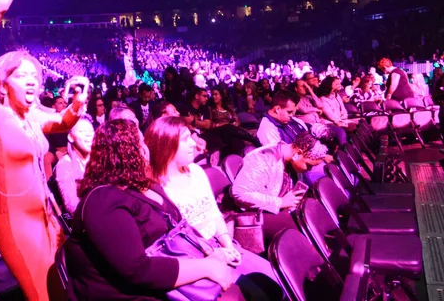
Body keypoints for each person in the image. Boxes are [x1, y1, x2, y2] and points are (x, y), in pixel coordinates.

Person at [0, 0, 89, 301]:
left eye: (35, 75)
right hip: (16, 226)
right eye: (22, 75)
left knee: (61, 289)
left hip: (48, 217)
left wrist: (79, 101)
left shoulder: (32, 113)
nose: (32, 80)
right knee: (41, 295)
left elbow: (63, 123)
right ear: (3, 85)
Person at [64, 119, 233, 300]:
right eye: (141, 142)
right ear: (127, 152)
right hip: (131, 293)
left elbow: (178, 228)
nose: (146, 149)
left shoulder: (143, 186)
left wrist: (207, 251)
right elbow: (137, 270)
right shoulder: (102, 201)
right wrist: (205, 267)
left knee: (252, 286)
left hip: (173, 274)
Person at [146, 117, 283, 300]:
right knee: (256, 294)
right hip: (194, 259)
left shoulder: (196, 171)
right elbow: (175, 243)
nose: (193, 144)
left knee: (274, 278)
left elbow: (213, 212)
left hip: (218, 245)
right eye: (186, 139)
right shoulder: (157, 190)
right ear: (167, 145)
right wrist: (213, 255)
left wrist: (226, 242)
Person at [231, 132, 328, 246]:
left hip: (276, 210)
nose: (309, 169)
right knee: (302, 229)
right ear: (298, 153)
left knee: (313, 216)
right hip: (252, 215)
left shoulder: (289, 157)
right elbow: (240, 193)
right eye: (308, 165)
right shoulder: (264, 158)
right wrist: (280, 202)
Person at [54, 117, 95, 215]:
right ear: (71, 137)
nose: (88, 134)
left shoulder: (100, 160)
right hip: (84, 218)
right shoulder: (65, 164)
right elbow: (72, 205)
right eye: (82, 131)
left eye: (91, 131)